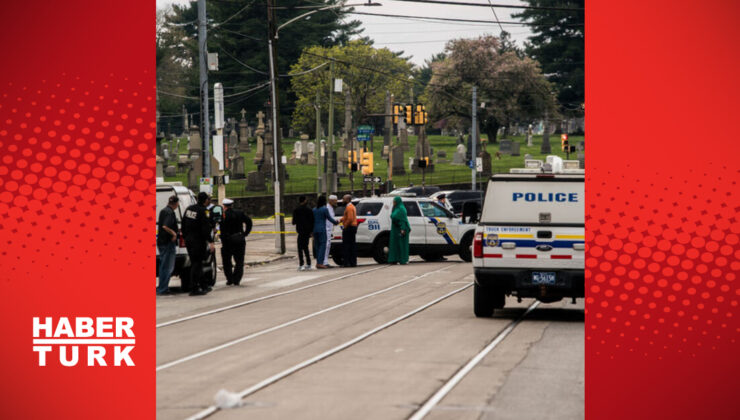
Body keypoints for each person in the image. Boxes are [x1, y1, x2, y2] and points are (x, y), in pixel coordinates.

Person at [181, 192, 215, 296]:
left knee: (196, 263)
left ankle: (203, 285)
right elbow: (205, 228)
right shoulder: (203, 211)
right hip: (198, 241)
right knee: (196, 264)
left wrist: (186, 237)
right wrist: (211, 242)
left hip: (189, 240)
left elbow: (183, 224)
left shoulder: (189, 209)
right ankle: (194, 287)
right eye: (208, 199)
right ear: (205, 200)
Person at [220, 198, 253, 285]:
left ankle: (229, 278)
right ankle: (237, 279)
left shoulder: (223, 215)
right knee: (239, 261)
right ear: (232, 205)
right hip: (239, 239)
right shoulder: (239, 213)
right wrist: (245, 233)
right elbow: (249, 222)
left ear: (224, 206)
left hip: (227, 241)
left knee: (227, 261)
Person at [156, 195, 179, 295]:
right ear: (176, 203)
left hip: (161, 242)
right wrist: (174, 233)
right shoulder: (169, 212)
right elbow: (165, 226)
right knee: (167, 267)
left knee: (163, 265)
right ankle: (163, 288)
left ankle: (162, 287)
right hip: (168, 243)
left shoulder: (163, 211)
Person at [313, 195, 338, 269]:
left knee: (317, 246)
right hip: (322, 230)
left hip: (315, 230)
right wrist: (336, 222)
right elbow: (329, 218)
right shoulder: (324, 209)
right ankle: (320, 263)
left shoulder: (314, 209)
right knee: (323, 246)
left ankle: (318, 262)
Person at [292, 196, 314, 271]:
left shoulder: (296, 210)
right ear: (304, 201)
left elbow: (293, 222)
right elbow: (312, 221)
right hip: (307, 232)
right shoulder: (309, 210)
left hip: (300, 231)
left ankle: (301, 264)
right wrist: (311, 231)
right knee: (306, 248)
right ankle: (309, 263)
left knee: (300, 248)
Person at [388, 196, 411, 265]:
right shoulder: (396, 208)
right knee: (395, 245)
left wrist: (403, 229)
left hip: (401, 229)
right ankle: (394, 259)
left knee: (402, 245)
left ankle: (403, 259)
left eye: (395, 201)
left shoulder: (401, 209)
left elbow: (403, 220)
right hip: (396, 229)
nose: (393, 203)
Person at [340, 194, 358, 267]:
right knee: (352, 245)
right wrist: (340, 220)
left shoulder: (349, 208)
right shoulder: (351, 206)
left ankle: (347, 262)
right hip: (352, 227)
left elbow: (350, 218)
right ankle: (352, 262)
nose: (342, 200)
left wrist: (345, 226)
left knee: (347, 245)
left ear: (347, 200)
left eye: (343, 199)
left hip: (349, 227)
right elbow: (346, 217)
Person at [324, 195, 339, 267]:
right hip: (326, 229)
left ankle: (325, 261)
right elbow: (329, 219)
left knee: (328, 245)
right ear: (331, 200)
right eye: (335, 200)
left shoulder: (331, 208)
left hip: (329, 229)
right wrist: (335, 222)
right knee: (326, 245)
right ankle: (325, 262)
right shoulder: (327, 208)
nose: (336, 202)